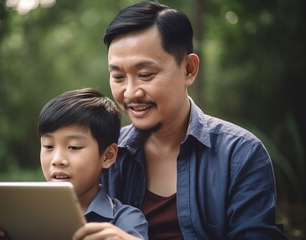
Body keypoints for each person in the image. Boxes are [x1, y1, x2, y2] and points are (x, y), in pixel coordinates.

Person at [100, 1, 288, 240]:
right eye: (118, 77)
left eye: (145, 75)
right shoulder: (105, 153)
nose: (129, 93)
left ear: (188, 69)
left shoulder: (240, 154)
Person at [0, 88, 148, 240]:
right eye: (48, 146)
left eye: (74, 147)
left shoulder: (125, 222)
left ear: (108, 156)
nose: (57, 159)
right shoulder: (18, 217)